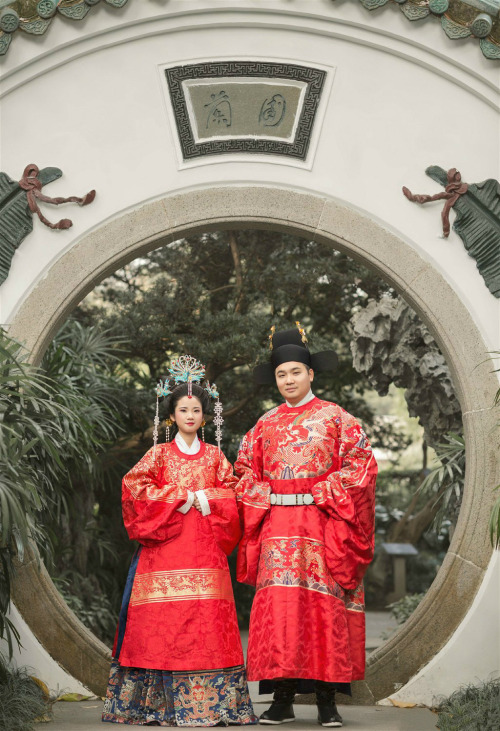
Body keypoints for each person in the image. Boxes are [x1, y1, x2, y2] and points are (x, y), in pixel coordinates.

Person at [102, 355, 257, 727]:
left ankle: (215, 706)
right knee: (161, 627)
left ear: (205, 416)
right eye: (183, 409)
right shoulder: (158, 454)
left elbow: (234, 495)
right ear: (172, 415)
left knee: (206, 626)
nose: (190, 415)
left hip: (206, 550)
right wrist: (178, 498)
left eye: (197, 409)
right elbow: (133, 489)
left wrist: (208, 499)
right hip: (164, 552)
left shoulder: (217, 456)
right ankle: (152, 706)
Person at [235, 326, 377, 728]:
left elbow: (362, 465)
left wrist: (325, 491)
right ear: (275, 379)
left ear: (311, 373)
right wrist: (264, 495)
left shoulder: (337, 418)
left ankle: (327, 702)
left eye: (296, 372)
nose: (289, 380)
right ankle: (281, 700)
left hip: (321, 527)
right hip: (277, 527)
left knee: (322, 610)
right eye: (282, 374)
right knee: (280, 612)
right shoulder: (263, 425)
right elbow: (242, 472)